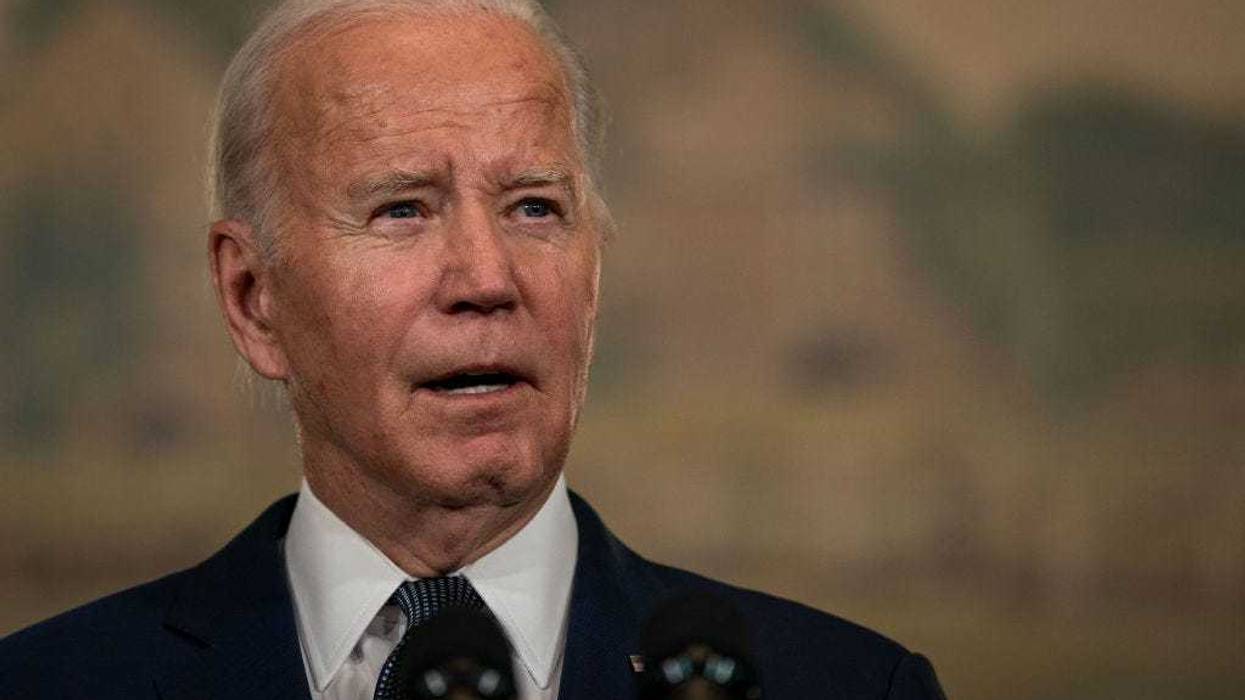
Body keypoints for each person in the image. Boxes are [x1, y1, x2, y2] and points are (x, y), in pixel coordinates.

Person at [0, 1, 946, 698]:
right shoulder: (52, 685)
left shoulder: (849, 687)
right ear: (254, 299)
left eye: (534, 207)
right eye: (401, 209)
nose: (487, 279)